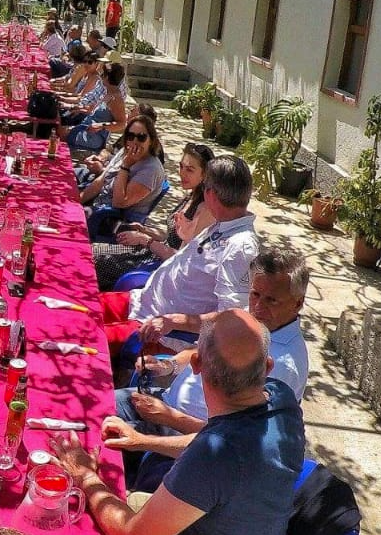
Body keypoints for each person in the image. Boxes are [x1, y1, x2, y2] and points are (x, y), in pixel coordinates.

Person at [53, 309, 304, 535]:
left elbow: (133, 532)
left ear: (196, 364)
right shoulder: (281, 397)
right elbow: (221, 444)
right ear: (268, 367)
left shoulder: (213, 457)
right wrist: (144, 441)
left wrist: (84, 475)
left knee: (63, 512)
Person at [106, 249, 311, 489]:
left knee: (104, 440)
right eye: (255, 294)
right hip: (163, 405)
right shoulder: (253, 321)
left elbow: (235, 440)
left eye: (271, 300)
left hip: (192, 441)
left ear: (297, 303)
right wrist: (167, 366)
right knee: (98, 405)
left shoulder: (283, 367)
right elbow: (199, 350)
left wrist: (167, 417)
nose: (258, 306)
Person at [100, 156, 260, 357]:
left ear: (209, 193)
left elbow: (232, 317)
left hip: (157, 331)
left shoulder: (240, 247)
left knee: (81, 337)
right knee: (78, 309)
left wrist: (173, 321)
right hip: (142, 302)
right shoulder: (224, 222)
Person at [91, 142, 215, 290]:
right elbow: (172, 237)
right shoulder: (191, 196)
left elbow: (183, 258)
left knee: (95, 261)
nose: (182, 173)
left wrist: (145, 240)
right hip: (152, 251)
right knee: (91, 250)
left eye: (189, 169)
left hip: (158, 264)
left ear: (205, 174)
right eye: (181, 166)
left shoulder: (205, 209)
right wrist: (145, 230)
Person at [79, 115, 165, 241]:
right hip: (98, 205)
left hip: (114, 219)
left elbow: (119, 202)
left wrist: (125, 167)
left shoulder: (150, 169)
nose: (134, 142)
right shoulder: (125, 152)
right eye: (130, 136)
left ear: (151, 140)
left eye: (141, 137)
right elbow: (100, 181)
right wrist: (78, 201)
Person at [63, 62, 128, 151]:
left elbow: (122, 123)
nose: (100, 75)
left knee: (58, 131)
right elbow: (93, 111)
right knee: (58, 125)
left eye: (103, 74)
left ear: (107, 77)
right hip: (86, 127)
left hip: (93, 136)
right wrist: (79, 109)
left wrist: (101, 126)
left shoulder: (116, 99)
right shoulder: (108, 92)